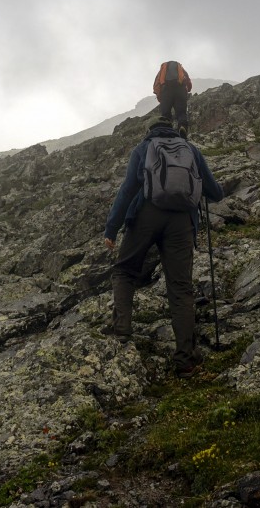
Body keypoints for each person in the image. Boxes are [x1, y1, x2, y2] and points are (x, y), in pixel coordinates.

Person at [103, 118, 224, 375]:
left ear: (150, 130)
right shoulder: (190, 150)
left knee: (125, 270)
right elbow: (215, 192)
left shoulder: (143, 148)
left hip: (146, 214)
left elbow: (127, 190)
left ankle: (122, 330)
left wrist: (112, 228)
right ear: (173, 129)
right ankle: (185, 360)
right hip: (181, 221)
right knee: (180, 287)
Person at [153, 60, 192, 136]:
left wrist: (160, 97)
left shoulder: (162, 71)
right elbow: (187, 79)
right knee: (181, 112)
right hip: (180, 89)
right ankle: (182, 127)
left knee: (165, 114)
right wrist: (188, 89)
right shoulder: (180, 68)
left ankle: (167, 132)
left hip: (166, 91)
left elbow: (156, 84)